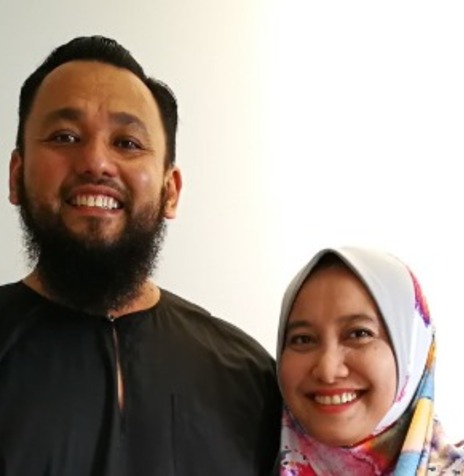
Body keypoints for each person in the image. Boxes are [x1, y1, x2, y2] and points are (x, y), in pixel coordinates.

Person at [0, 35, 281, 475]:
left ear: (171, 190)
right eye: (65, 136)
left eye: (128, 143)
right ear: (16, 177)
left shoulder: (252, 379)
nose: (95, 162)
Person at [276, 246, 464, 475]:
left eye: (359, 334)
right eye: (303, 339)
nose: (328, 370)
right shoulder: (245, 463)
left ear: (412, 353)